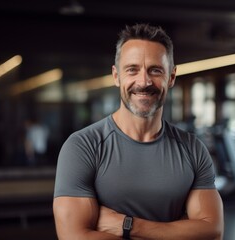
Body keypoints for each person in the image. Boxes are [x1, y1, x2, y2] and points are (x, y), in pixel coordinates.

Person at [53, 23, 224, 239]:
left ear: (171, 77)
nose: (143, 81)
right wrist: (177, 231)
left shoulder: (192, 149)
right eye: (132, 69)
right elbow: (74, 237)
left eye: (155, 70)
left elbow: (212, 233)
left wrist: (128, 226)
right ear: (116, 76)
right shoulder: (81, 146)